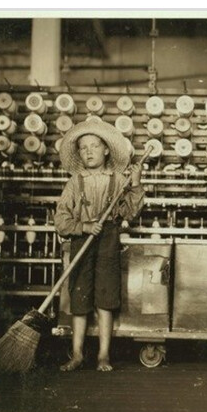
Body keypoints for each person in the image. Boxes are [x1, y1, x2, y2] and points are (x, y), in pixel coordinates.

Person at [54, 117, 144, 371]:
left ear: (106, 149)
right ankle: (77, 354)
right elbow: (61, 220)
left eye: (94, 146)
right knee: (79, 299)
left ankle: (104, 355)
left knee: (105, 298)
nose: (89, 151)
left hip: (108, 241)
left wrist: (135, 184)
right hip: (81, 241)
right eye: (83, 147)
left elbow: (130, 213)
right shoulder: (75, 182)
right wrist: (82, 226)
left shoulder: (118, 180)